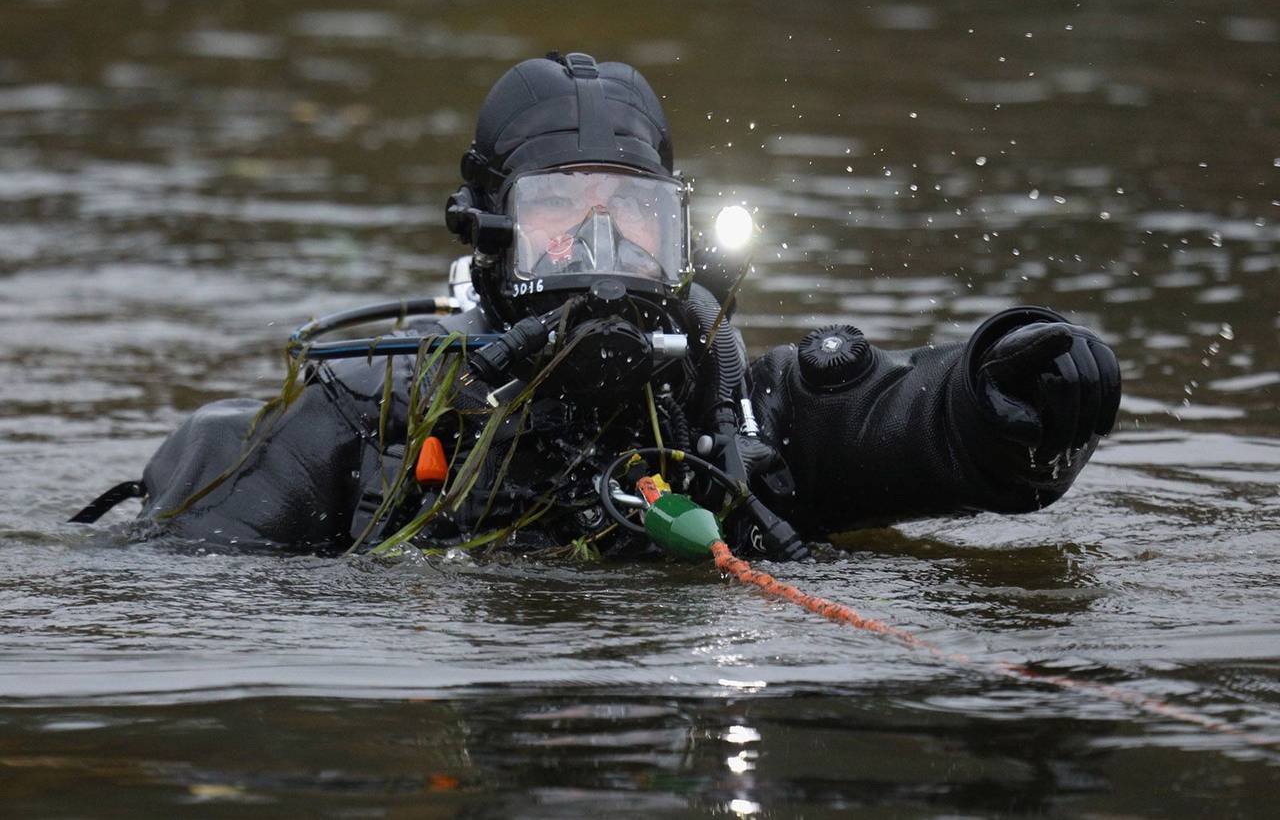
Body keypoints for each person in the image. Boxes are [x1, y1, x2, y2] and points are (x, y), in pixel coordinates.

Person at [72, 52, 1121, 559]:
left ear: (683, 236)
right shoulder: (360, 413)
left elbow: (903, 420)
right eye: (560, 220)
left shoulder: (734, 411)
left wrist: (1003, 394)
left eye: (633, 221)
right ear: (485, 236)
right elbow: (193, 592)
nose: (599, 254)